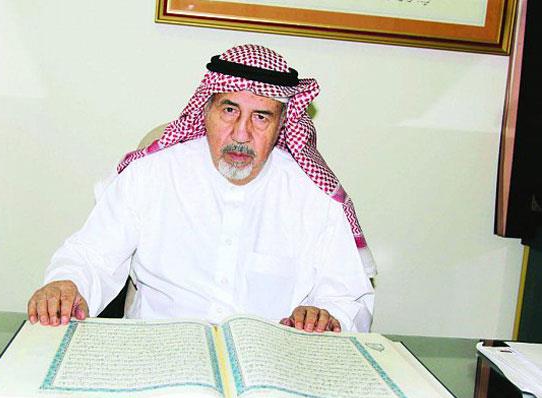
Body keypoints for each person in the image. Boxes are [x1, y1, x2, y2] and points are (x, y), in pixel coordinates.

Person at [27, 45, 376, 333]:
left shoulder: (314, 197)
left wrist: (328, 317)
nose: (241, 133)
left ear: (281, 123)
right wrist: (66, 284)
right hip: (155, 357)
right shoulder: (151, 175)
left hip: (271, 369)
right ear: (206, 110)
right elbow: (91, 256)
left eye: (261, 117)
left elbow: (348, 298)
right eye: (229, 110)